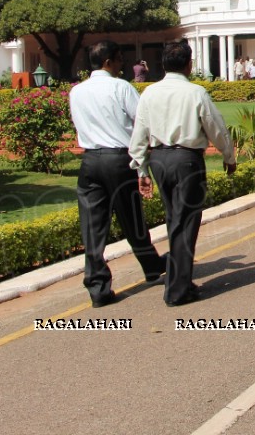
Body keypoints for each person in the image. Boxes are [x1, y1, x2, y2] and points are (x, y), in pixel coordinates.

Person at [129, 40, 236, 307]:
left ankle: (180, 282)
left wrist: (141, 168)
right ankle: (177, 290)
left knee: (174, 220)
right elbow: (215, 127)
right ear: (189, 64)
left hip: (159, 160)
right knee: (185, 223)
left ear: (163, 64)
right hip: (186, 160)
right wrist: (228, 156)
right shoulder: (195, 93)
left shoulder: (149, 93)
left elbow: (139, 133)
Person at [69, 41, 165, 308]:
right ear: (108, 61)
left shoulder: (76, 92)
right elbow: (143, 121)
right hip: (117, 158)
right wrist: (145, 162)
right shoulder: (121, 87)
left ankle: (98, 287)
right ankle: (151, 264)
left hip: (90, 160)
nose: (123, 64)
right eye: (120, 59)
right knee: (131, 217)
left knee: (92, 226)